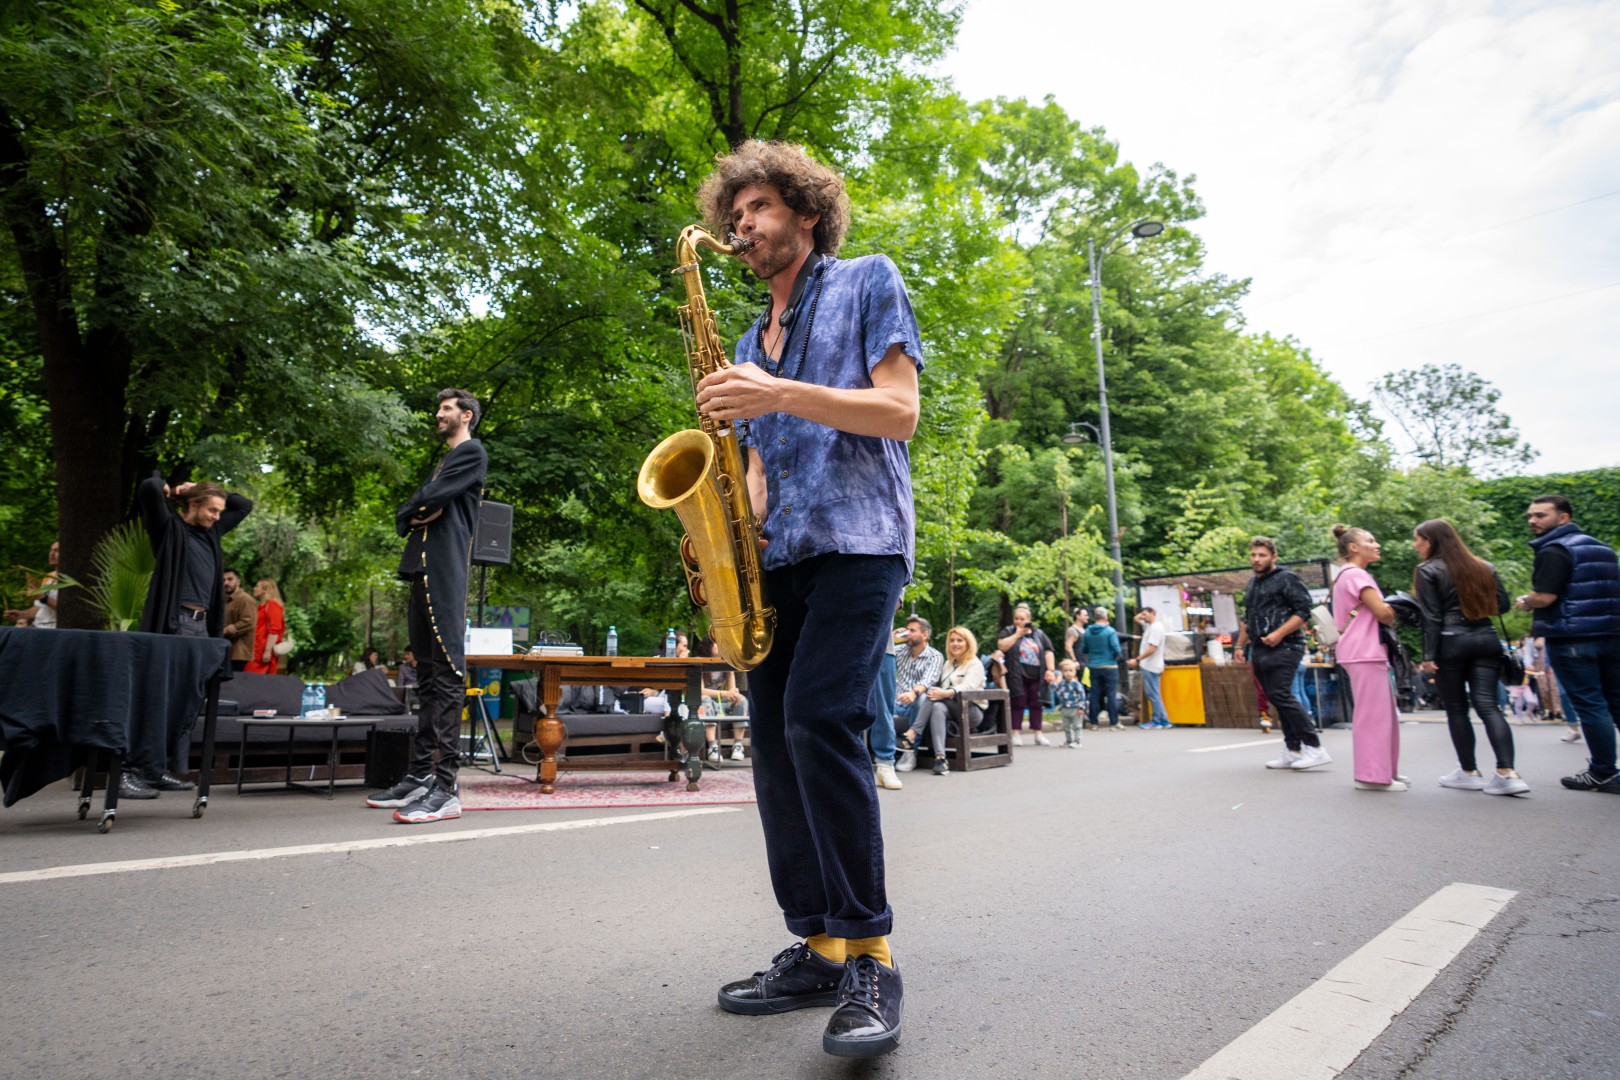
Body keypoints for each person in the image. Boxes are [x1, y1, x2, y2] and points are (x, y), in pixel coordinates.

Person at [693, 140, 918, 1057]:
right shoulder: (748, 341)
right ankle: (820, 942)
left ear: (806, 211)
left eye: (756, 208)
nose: (740, 227)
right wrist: (717, 537)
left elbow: (898, 410)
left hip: (863, 543)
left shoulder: (868, 279)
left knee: (823, 721)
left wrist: (779, 391)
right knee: (777, 747)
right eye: (732, 215)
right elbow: (756, 474)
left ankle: (871, 953)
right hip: (779, 559)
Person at [366, 388, 488, 823]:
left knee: (450, 673)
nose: (438, 415)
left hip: (445, 574)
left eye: (446, 409)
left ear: (466, 415)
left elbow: (430, 499)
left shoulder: (471, 452)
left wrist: (422, 504)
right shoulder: (445, 462)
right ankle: (419, 775)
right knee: (428, 675)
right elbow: (419, 504)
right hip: (420, 572)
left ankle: (446, 786)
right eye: (439, 409)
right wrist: (415, 509)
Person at [132, 475, 253, 798]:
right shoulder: (169, 529)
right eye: (211, 509)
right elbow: (148, 488)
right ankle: (133, 771)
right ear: (193, 505)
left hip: (201, 629)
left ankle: (159, 769)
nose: (217, 516)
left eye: (218, 511)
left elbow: (245, 505)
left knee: (186, 703)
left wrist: (205, 486)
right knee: (157, 699)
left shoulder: (212, 533)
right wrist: (177, 488)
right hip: (174, 625)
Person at [1513, 495, 1620, 794]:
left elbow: (1546, 596)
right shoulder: (1603, 549)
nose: (1533, 521)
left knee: (1591, 705)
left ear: (1564, 518)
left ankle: (1602, 772)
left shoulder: (1554, 549)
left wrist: (1526, 602)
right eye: (1530, 516)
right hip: (1611, 635)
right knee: (1616, 701)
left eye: (1541, 515)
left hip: (1573, 638)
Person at [1413, 519, 1528, 795]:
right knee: (1489, 706)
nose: (1416, 546)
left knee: (1456, 708)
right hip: (1486, 638)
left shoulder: (1427, 570)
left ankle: (1469, 771)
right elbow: (1500, 605)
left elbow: (1431, 616)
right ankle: (1507, 772)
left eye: (1419, 540)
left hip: (1450, 643)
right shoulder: (1484, 566)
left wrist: (1428, 655)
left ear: (1432, 541)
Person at [1237, 537, 1330, 771]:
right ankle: (1293, 750)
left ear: (1274, 557)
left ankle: (1315, 747)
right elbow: (1248, 618)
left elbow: (1303, 611)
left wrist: (1279, 634)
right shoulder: (1252, 583)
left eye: (1262, 555)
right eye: (1253, 555)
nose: (1256, 559)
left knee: (1281, 694)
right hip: (1258, 647)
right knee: (1276, 697)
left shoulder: (1286, 578)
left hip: (1286, 645)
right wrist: (1239, 646)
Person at [1331, 525, 1405, 791]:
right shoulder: (1356, 575)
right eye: (1370, 540)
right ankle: (1372, 775)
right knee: (1374, 716)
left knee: (1381, 714)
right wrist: (1396, 609)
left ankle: (1384, 771)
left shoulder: (1345, 575)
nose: (1377, 545)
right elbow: (1383, 613)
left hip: (1362, 651)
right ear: (1353, 548)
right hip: (1365, 651)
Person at [898, 625, 983, 774]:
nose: (955, 644)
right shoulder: (948, 664)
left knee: (933, 695)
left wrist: (945, 693)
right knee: (937, 707)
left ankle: (912, 733)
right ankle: (941, 759)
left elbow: (969, 686)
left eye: (960, 640)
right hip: (949, 710)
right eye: (952, 640)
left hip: (970, 712)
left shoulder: (975, 664)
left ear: (968, 643)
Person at [997, 603, 1057, 746]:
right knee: (1018, 702)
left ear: (1029, 619)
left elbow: (1048, 651)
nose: (1018, 621)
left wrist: (1050, 670)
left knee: (1037, 703)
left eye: (1022, 619)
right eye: (1016, 618)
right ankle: (1016, 733)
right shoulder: (1009, 631)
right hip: (1016, 674)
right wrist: (1018, 634)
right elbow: (1001, 646)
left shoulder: (1039, 634)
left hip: (1037, 675)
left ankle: (1038, 734)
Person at [892, 615, 943, 775]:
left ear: (925, 635)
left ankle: (910, 753)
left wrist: (913, 693)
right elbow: (879, 654)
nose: (908, 633)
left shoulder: (935, 656)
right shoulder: (901, 651)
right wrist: (891, 639)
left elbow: (929, 680)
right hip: (897, 704)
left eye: (912, 630)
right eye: (907, 630)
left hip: (918, 707)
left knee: (922, 697)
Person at [699, 637, 749, 762]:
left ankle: (738, 745)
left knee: (741, 700)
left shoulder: (726, 662)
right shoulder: (700, 662)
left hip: (721, 704)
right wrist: (725, 693)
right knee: (706, 700)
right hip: (703, 703)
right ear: (709, 646)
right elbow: (701, 691)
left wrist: (734, 693)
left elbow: (732, 689)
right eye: (718, 644)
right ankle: (713, 747)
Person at [1080, 607, 1123, 730]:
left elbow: (1085, 649)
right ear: (1105, 617)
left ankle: (1094, 722)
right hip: (1110, 666)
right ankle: (1113, 723)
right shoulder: (1110, 631)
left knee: (1094, 694)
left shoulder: (1087, 632)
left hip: (1094, 666)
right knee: (1111, 694)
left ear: (1094, 617)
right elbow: (1117, 649)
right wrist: (1113, 657)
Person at [1128, 607, 1169, 728]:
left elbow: (1152, 648)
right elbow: (1136, 619)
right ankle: (1163, 719)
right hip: (1150, 665)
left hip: (1151, 665)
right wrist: (1143, 615)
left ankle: (1157, 720)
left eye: (1146, 614)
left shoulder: (1156, 628)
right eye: (1143, 615)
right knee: (1153, 693)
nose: (1143, 617)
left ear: (1153, 614)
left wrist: (1137, 659)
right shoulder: (1149, 626)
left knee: (1153, 694)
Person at [5, 541, 61, 628]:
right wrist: (21, 614)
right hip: (37, 627)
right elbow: (40, 608)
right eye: (51, 550)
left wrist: (43, 597)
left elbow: (69, 610)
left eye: (57, 551)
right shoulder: (48, 577)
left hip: (56, 630)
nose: (51, 554)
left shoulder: (72, 580)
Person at [243, 579, 286, 675]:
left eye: (257, 586)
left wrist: (267, 651)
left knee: (254, 679)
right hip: (256, 649)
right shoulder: (262, 606)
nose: (254, 589)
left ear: (265, 590)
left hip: (264, 651)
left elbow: (275, 630)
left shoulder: (272, 605)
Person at [221, 569, 257, 672]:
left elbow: (248, 621)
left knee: (233, 683)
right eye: (223, 580)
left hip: (238, 652)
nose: (226, 583)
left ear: (238, 581)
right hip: (225, 650)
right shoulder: (225, 599)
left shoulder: (245, 599)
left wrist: (225, 631)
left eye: (230, 579)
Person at [1053, 659, 1087, 746]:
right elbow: (1057, 690)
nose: (1068, 673)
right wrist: (1051, 683)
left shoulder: (1077, 684)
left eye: (1071, 670)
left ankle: (1077, 741)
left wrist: (1081, 708)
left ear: (1075, 671)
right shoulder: (1062, 683)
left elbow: (1082, 696)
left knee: (1077, 725)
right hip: (1065, 708)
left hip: (1075, 708)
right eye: (1065, 671)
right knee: (1066, 726)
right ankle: (1068, 740)